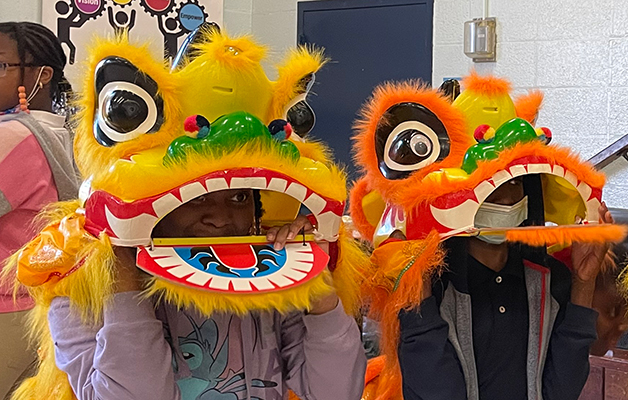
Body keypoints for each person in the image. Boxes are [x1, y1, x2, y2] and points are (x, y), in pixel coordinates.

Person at [46, 188, 366, 400]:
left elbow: (336, 393)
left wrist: (318, 288)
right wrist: (124, 282)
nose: (220, 218)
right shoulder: (77, 294)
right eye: (197, 198)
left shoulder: (271, 280)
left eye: (238, 197)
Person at [396, 177, 605, 400]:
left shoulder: (550, 279)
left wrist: (584, 282)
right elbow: (433, 386)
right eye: (491, 183)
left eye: (515, 183)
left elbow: (564, 390)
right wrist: (417, 286)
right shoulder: (433, 285)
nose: (506, 197)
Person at [0, 21, 78, 394]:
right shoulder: (67, 132)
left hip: (6, 313)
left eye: (0, 66)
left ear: (42, 75)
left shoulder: (11, 134)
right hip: (47, 310)